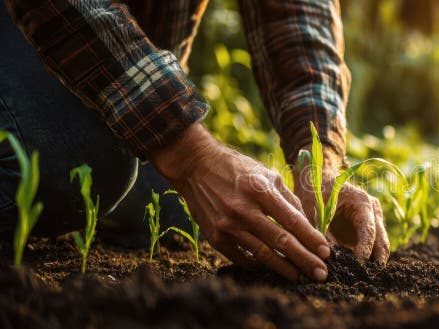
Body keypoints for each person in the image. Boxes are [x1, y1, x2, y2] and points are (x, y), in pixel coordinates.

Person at [0, 0, 389, 283]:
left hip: (106, 70)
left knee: (174, 216)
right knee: (80, 154)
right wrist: (188, 156)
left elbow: (299, 17)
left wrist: (318, 164)